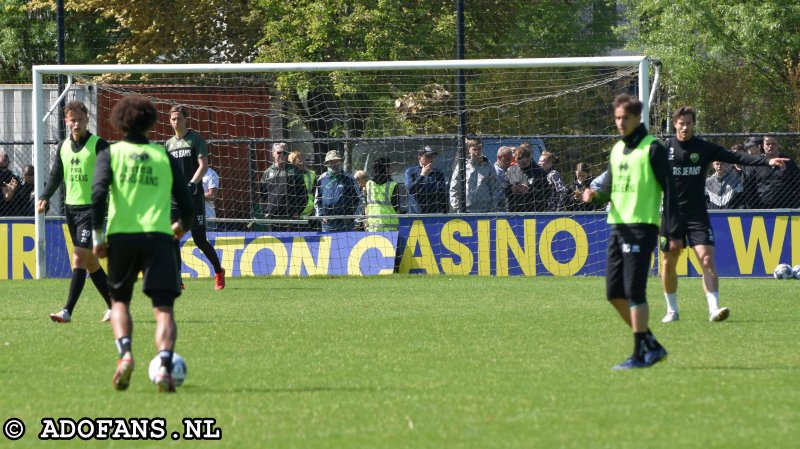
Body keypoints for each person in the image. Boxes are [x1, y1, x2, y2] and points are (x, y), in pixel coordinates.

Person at [91, 95, 194, 392]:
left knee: (119, 301)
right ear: (151, 122)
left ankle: (125, 356)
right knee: (163, 309)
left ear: (119, 122)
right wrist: (181, 227)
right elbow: (187, 205)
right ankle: (164, 367)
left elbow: (97, 196)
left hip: (121, 237)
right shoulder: (164, 156)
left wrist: (98, 236)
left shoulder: (110, 154)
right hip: (159, 238)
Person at [660, 107, 789, 323]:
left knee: (707, 258)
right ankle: (672, 310)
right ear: (675, 124)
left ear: (693, 124)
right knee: (668, 262)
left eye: (688, 123)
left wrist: (766, 161)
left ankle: (714, 308)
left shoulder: (703, 148)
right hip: (672, 216)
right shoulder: (664, 148)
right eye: (681, 123)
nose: (685, 127)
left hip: (697, 214)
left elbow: (736, 156)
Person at [579, 93, 677, 370]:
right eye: (617, 118)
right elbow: (608, 189)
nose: (620, 123)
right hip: (616, 226)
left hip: (642, 227)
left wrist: (669, 230)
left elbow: (671, 190)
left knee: (635, 291)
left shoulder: (653, 148)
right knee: (613, 293)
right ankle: (651, 344)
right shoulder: (616, 150)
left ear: (637, 118)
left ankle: (638, 354)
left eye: (625, 118)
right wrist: (594, 197)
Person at [37, 101, 112, 323]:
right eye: (72, 120)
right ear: (66, 121)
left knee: (78, 257)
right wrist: (44, 196)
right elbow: (55, 176)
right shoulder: (63, 147)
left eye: (80, 119)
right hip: (72, 210)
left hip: (93, 209)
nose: (76, 123)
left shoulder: (99, 145)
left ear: (86, 120)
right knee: (91, 263)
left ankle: (67, 310)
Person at [165, 105, 225, 290]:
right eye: (173, 119)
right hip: (174, 199)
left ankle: (218, 271)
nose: (176, 122)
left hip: (193, 197)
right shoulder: (168, 144)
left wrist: (192, 183)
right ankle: (177, 279)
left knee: (199, 239)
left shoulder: (195, 139)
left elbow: (203, 165)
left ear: (185, 119)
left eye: (179, 118)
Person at [739, 136, 800, 210]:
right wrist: (753, 208)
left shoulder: (788, 163)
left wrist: (794, 205)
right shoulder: (756, 163)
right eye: (767, 144)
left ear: (778, 145)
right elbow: (748, 188)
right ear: (762, 146)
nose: (770, 146)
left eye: (773, 144)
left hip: (786, 209)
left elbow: (797, 184)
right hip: (762, 210)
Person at [259, 143, 307, 232]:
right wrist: (266, 211)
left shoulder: (295, 171)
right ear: (273, 153)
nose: (282, 155)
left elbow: (303, 193)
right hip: (272, 217)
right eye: (279, 152)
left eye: (284, 153)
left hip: (290, 217)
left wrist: (298, 211)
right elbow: (262, 195)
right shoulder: (267, 173)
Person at [449, 138, 500, 213]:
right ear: (469, 149)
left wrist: (493, 207)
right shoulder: (462, 166)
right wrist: (457, 208)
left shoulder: (489, 166)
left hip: (485, 210)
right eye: (474, 149)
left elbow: (494, 188)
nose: (477, 152)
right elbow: (454, 188)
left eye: (479, 149)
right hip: (465, 210)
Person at [315, 150, 361, 232]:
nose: (333, 165)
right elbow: (317, 200)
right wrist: (321, 216)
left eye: (335, 161)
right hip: (327, 224)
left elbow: (359, 199)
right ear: (327, 163)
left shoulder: (349, 179)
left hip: (347, 224)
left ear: (340, 162)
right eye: (330, 162)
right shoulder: (322, 179)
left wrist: (354, 218)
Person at [504, 143, 548, 212]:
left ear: (528, 159)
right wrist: (512, 189)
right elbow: (504, 190)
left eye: (522, 163)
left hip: (534, 211)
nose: (519, 165)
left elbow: (547, 192)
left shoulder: (539, 172)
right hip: (515, 211)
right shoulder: (511, 170)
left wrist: (529, 190)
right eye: (517, 162)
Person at [404, 146, 448, 214]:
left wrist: (444, 211)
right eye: (428, 156)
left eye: (432, 156)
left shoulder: (438, 173)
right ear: (419, 158)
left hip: (434, 215)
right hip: (415, 215)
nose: (431, 159)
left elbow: (442, 194)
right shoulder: (411, 172)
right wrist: (422, 175)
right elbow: (410, 189)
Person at [365, 157, 404, 231]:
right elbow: (396, 208)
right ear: (386, 169)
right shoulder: (393, 185)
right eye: (390, 167)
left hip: (373, 226)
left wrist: (366, 223)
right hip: (390, 227)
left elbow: (366, 206)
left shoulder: (369, 184)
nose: (392, 169)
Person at [289, 150, 318, 231]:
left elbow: (315, 191)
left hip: (310, 211)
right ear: (293, 162)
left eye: (302, 158)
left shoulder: (312, 174)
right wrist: (293, 211)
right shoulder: (290, 175)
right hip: (296, 213)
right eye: (298, 158)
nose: (302, 160)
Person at [493, 145, 514, 211]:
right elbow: (498, 194)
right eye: (507, 159)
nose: (510, 161)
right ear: (499, 157)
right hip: (498, 209)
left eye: (511, 159)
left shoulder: (504, 170)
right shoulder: (497, 172)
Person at [0, 150, 21, 216]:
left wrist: (11, 190)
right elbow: (7, 197)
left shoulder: (14, 176)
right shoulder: (14, 176)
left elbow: (7, 197)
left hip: (11, 209)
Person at [202, 164, 220, 231]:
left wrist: (195, 196)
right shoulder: (190, 172)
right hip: (191, 215)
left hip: (207, 217)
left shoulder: (211, 174)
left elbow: (212, 195)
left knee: (209, 240)